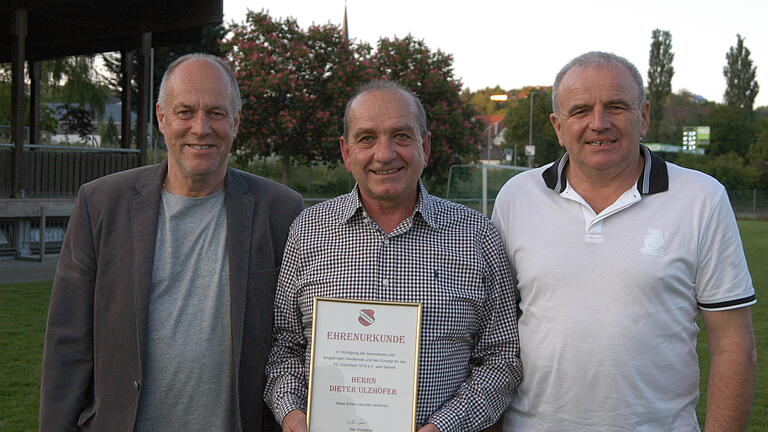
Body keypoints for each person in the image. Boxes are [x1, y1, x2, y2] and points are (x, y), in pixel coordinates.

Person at [492, 51, 757, 431]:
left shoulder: (701, 198)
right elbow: (494, 336)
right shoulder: (517, 196)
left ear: (644, 116)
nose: (598, 124)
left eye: (616, 106)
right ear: (557, 125)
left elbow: (734, 345)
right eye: (580, 110)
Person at [39, 53, 304, 432]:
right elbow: (67, 345)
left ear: (236, 122)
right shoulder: (101, 204)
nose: (201, 128)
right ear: (162, 118)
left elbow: (296, 337)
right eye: (185, 112)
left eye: (216, 113)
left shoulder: (280, 210)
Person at [264, 80, 521, 432]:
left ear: (425, 146)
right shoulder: (307, 232)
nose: (384, 154)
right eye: (367, 138)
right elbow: (285, 345)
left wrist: (443, 427)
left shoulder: (477, 237)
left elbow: (501, 357)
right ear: (346, 151)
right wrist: (291, 412)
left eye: (401, 135)